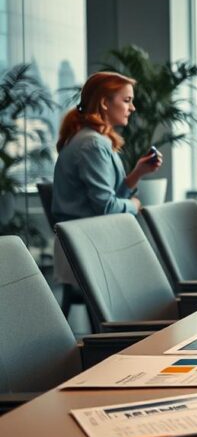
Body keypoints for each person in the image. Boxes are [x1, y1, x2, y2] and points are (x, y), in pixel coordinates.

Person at [52, 71, 164, 287]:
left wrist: (137, 173)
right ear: (104, 103)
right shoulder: (93, 145)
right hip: (86, 247)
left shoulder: (94, 140)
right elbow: (105, 208)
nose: (132, 108)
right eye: (127, 100)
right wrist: (133, 205)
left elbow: (105, 200)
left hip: (86, 242)